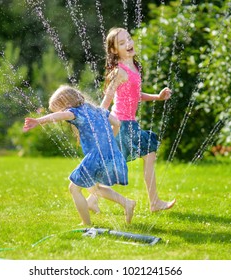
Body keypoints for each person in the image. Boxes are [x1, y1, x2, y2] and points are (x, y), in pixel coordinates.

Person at [87, 27, 176, 213]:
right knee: (144, 156)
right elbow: (109, 96)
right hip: (121, 124)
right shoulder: (120, 71)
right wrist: (100, 118)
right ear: (113, 50)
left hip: (129, 124)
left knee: (114, 164)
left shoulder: (134, 67)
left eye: (129, 39)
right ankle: (154, 202)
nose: (128, 43)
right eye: (122, 43)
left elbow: (135, 95)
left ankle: (92, 198)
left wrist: (157, 97)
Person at [23, 85, 136, 225]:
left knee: (74, 188)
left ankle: (86, 224)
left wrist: (39, 121)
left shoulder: (75, 112)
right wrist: (108, 141)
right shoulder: (98, 110)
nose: (62, 112)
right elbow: (117, 123)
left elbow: (59, 116)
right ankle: (126, 203)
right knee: (93, 187)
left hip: (97, 157)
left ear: (67, 104)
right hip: (112, 155)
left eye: (60, 108)